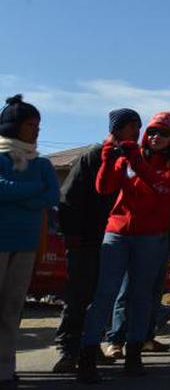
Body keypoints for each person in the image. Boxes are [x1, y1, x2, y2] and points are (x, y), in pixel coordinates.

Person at [76, 112, 170, 383]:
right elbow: (104, 187)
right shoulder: (128, 155)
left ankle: (134, 354)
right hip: (117, 232)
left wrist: (135, 160)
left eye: (162, 133)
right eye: (151, 131)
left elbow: (161, 186)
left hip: (151, 237)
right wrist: (107, 157)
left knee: (141, 296)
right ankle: (88, 357)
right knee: (105, 293)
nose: (154, 137)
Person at [52, 108, 141, 372]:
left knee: (102, 296)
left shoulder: (130, 159)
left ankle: (91, 347)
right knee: (78, 296)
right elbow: (68, 198)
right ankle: (68, 350)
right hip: (87, 239)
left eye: (139, 125)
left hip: (113, 239)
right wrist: (74, 235)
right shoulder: (93, 155)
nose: (137, 131)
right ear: (117, 128)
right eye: (131, 125)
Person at [0, 95, 60, 389]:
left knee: (12, 308)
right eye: (30, 124)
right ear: (13, 125)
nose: (36, 130)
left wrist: (19, 194)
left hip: (25, 244)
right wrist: (32, 192)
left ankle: (5, 370)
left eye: (38, 125)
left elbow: (52, 195)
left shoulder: (43, 163)